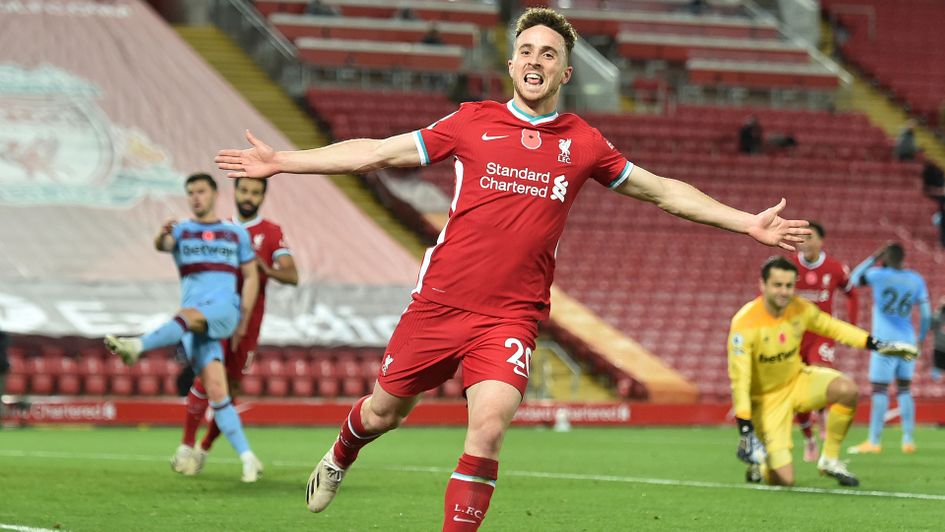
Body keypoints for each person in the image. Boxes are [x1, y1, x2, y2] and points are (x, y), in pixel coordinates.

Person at [216, 8, 812, 529]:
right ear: (510, 64)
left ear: (565, 73)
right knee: (382, 411)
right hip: (440, 303)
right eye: (526, 50)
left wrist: (746, 223)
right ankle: (342, 453)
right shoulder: (470, 122)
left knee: (490, 428)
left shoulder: (584, 143)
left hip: (510, 315)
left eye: (549, 54)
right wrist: (282, 162)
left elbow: (662, 192)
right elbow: (375, 151)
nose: (536, 60)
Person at [104, 173, 264, 482]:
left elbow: (252, 276)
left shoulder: (235, 234)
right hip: (193, 323)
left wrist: (243, 317)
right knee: (217, 391)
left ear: (215, 194)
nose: (195, 197)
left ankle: (137, 347)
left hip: (223, 310)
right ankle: (248, 457)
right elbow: (162, 244)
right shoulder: (183, 231)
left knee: (187, 315)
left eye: (201, 191)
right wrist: (160, 234)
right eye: (190, 192)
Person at [728, 257, 916, 487]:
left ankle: (829, 460)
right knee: (784, 481)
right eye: (777, 285)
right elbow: (740, 379)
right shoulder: (744, 323)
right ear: (762, 285)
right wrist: (745, 428)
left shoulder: (800, 309)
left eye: (789, 285)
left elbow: (833, 327)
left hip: (796, 381)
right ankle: (761, 464)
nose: (784, 292)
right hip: (766, 402)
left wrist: (876, 344)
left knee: (846, 390)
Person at [173, 177, 298, 475]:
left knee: (231, 389)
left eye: (255, 192)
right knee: (207, 380)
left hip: (249, 324)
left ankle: (203, 448)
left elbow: (292, 276)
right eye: (244, 190)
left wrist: (263, 267)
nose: (249, 196)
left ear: (262, 196)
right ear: (235, 192)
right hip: (216, 318)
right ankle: (186, 445)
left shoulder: (270, 233)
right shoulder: (219, 230)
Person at [847, 242, 930, 455]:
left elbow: (854, 278)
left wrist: (873, 257)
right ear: (903, 258)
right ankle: (908, 440)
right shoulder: (916, 279)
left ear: (885, 258)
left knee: (880, 390)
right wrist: (920, 339)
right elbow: (927, 314)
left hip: (885, 341)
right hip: (908, 341)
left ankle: (874, 441)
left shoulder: (877, 275)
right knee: (904, 389)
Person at [789, 221, 858, 462]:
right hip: (795, 336)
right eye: (802, 238)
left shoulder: (835, 268)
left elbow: (852, 294)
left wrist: (851, 324)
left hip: (822, 334)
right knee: (797, 390)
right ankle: (809, 439)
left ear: (821, 241)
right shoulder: (788, 268)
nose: (805, 243)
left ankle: (822, 414)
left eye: (810, 238)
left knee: (820, 373)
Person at [929, 297, 945, 380]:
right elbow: (931, 325)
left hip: (939, 346)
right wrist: (938, 310)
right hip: (939, 347)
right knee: (936, 371)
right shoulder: (939, 315)